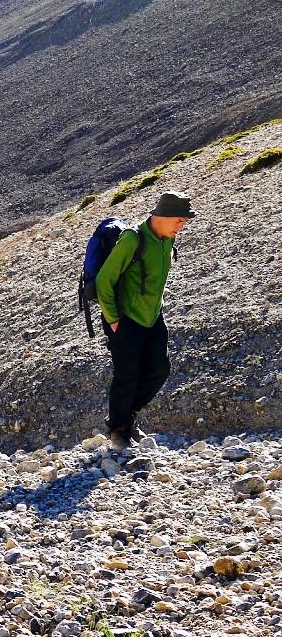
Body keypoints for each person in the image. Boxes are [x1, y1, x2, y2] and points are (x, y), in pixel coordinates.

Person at [96, 190, 195, 450]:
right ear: (161, 216)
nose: (182, 226)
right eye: (179, 220)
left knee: (159, 370)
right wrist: (114, 319)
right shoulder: (132, 239)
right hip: (125, 318)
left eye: (184, 221)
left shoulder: (167, 240)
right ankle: (118, 429)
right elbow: (103, 281)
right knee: (127, 375)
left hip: (153, 316)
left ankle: (126, 417)